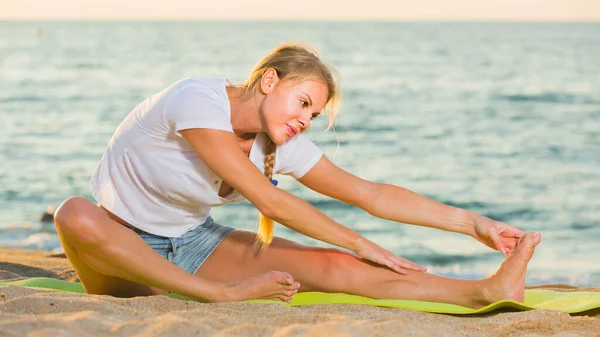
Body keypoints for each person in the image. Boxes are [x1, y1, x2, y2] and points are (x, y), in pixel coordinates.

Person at [54, 43, 541, 308]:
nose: (304, 120)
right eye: (303, 102)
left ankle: (482, 290)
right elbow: (271, 203)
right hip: (121, 246)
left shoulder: (278, 141)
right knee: (73, 213)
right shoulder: (197, 100)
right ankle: (219, 295)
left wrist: (472, 223)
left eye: (313, 115)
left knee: (333, 268)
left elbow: (368, 193)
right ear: (269, 81)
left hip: (194, 243)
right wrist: (362, 242)